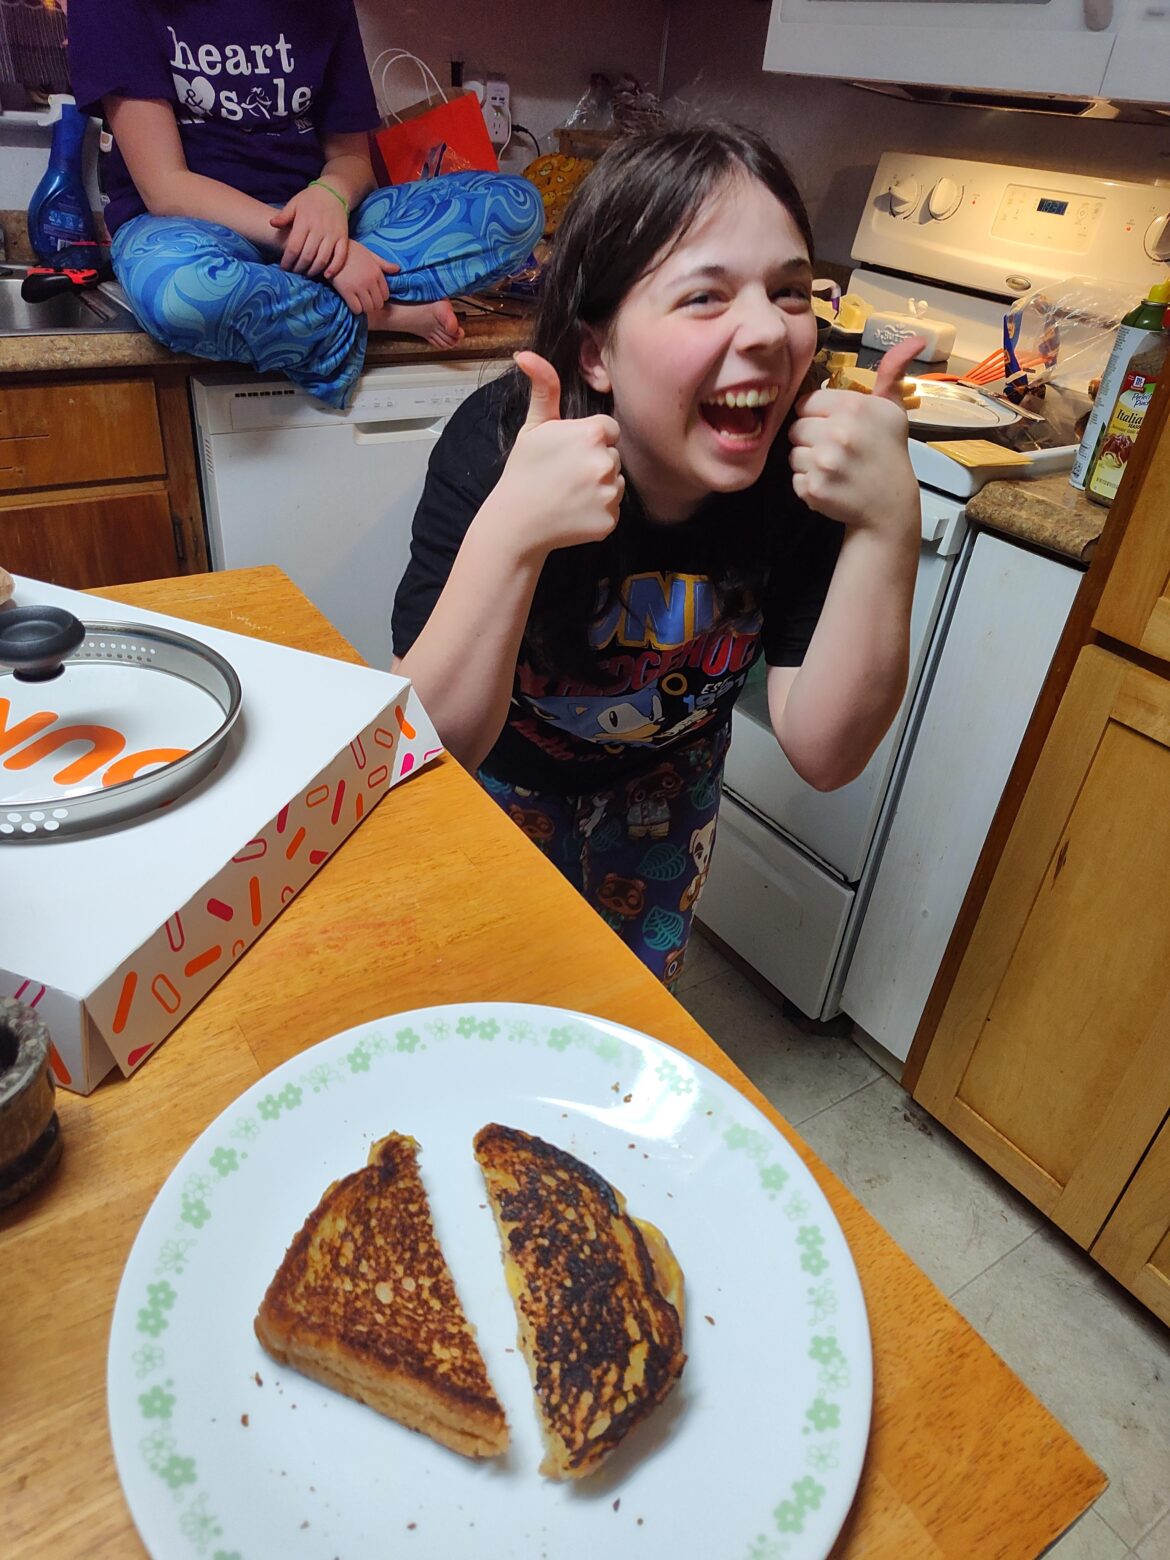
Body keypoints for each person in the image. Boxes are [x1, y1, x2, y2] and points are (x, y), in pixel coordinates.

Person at [391, 122, 922, 986]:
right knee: (496, 995)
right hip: (503, 778)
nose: (768, 330)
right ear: (595, 351)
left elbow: (826, 753)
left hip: (669, 787)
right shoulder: (499, 450)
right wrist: (513, 531)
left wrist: (889, 525)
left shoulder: (807, 475)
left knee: (631, 1003)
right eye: (706, 295)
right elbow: (430, 743)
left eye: (791, 291)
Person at [65, 1, 544, 407]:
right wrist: (331, 255)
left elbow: (352, 160)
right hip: (185, 225)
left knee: (516, 207)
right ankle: (378, 316)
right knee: (181, 298)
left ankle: (309, 306)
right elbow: (165, 186)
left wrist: (330, 194)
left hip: (327, 220)